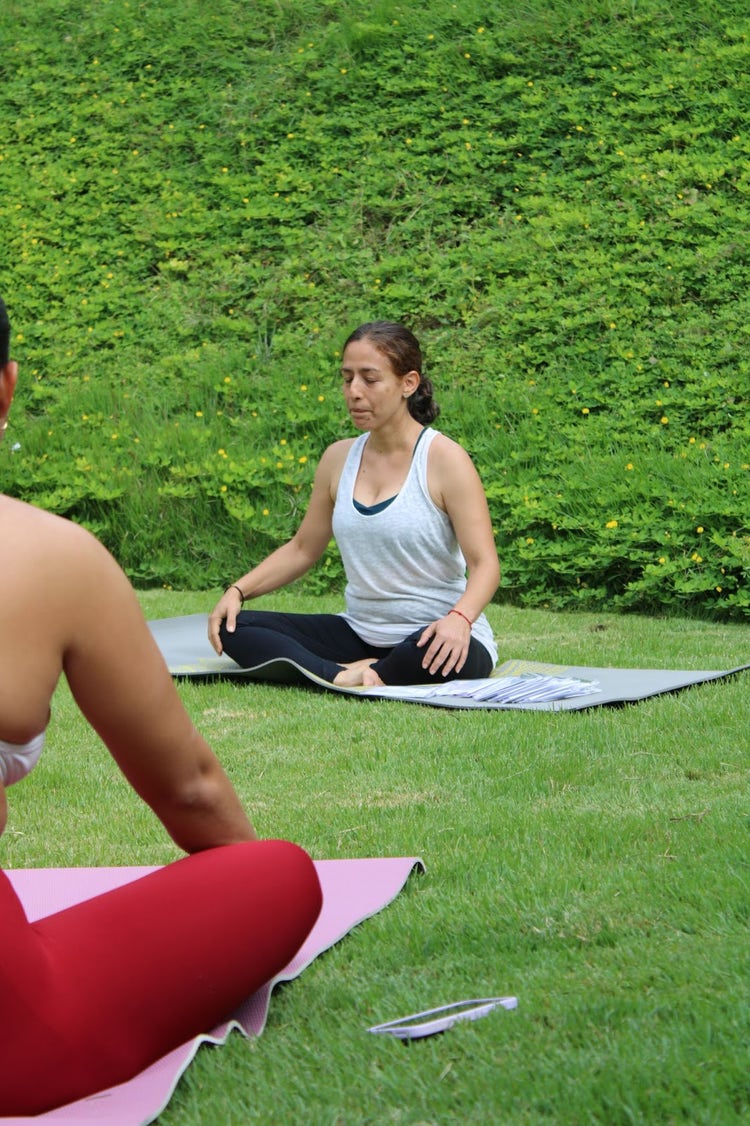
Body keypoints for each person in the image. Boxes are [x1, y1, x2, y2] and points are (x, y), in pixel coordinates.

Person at [0, 296, 322, 1117]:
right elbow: (190, 789)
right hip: (14, 1034)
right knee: (279, 875)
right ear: (6, 388)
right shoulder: (50, 556)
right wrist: (241, 890)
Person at [209, 321, 500, 688]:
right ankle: (351, 674)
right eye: (347, 379)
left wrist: (460, 619)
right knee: (234, 626)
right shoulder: (338, 458)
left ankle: (357, 671)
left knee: (437, 653)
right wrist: (237, 591)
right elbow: (302, 549)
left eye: (369, 379)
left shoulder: (444, 459)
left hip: (433, 632)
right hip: (360, 632)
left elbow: (485, 564)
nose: (354, 392)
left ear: (408, 383)